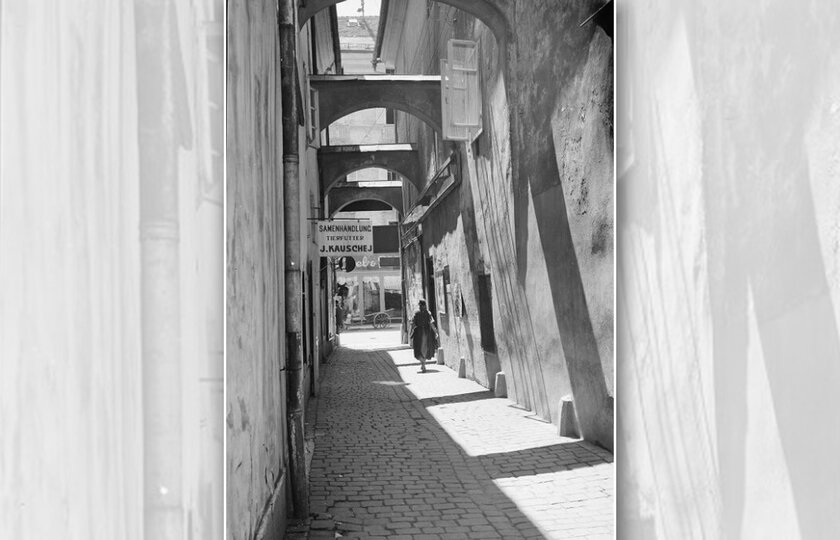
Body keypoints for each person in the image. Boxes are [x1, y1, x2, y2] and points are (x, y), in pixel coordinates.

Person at [409, 299, 438, 373]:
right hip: (426, 333)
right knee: (424, 347)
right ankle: (423, 364)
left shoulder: (416, 313)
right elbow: (431, 324)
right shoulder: (428, 313)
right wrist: (435, 332)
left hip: (418, 333)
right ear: (425, 305)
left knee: (419, 348)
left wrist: (410, 333)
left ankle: (423, 364)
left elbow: (412, 324)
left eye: (420, 305)